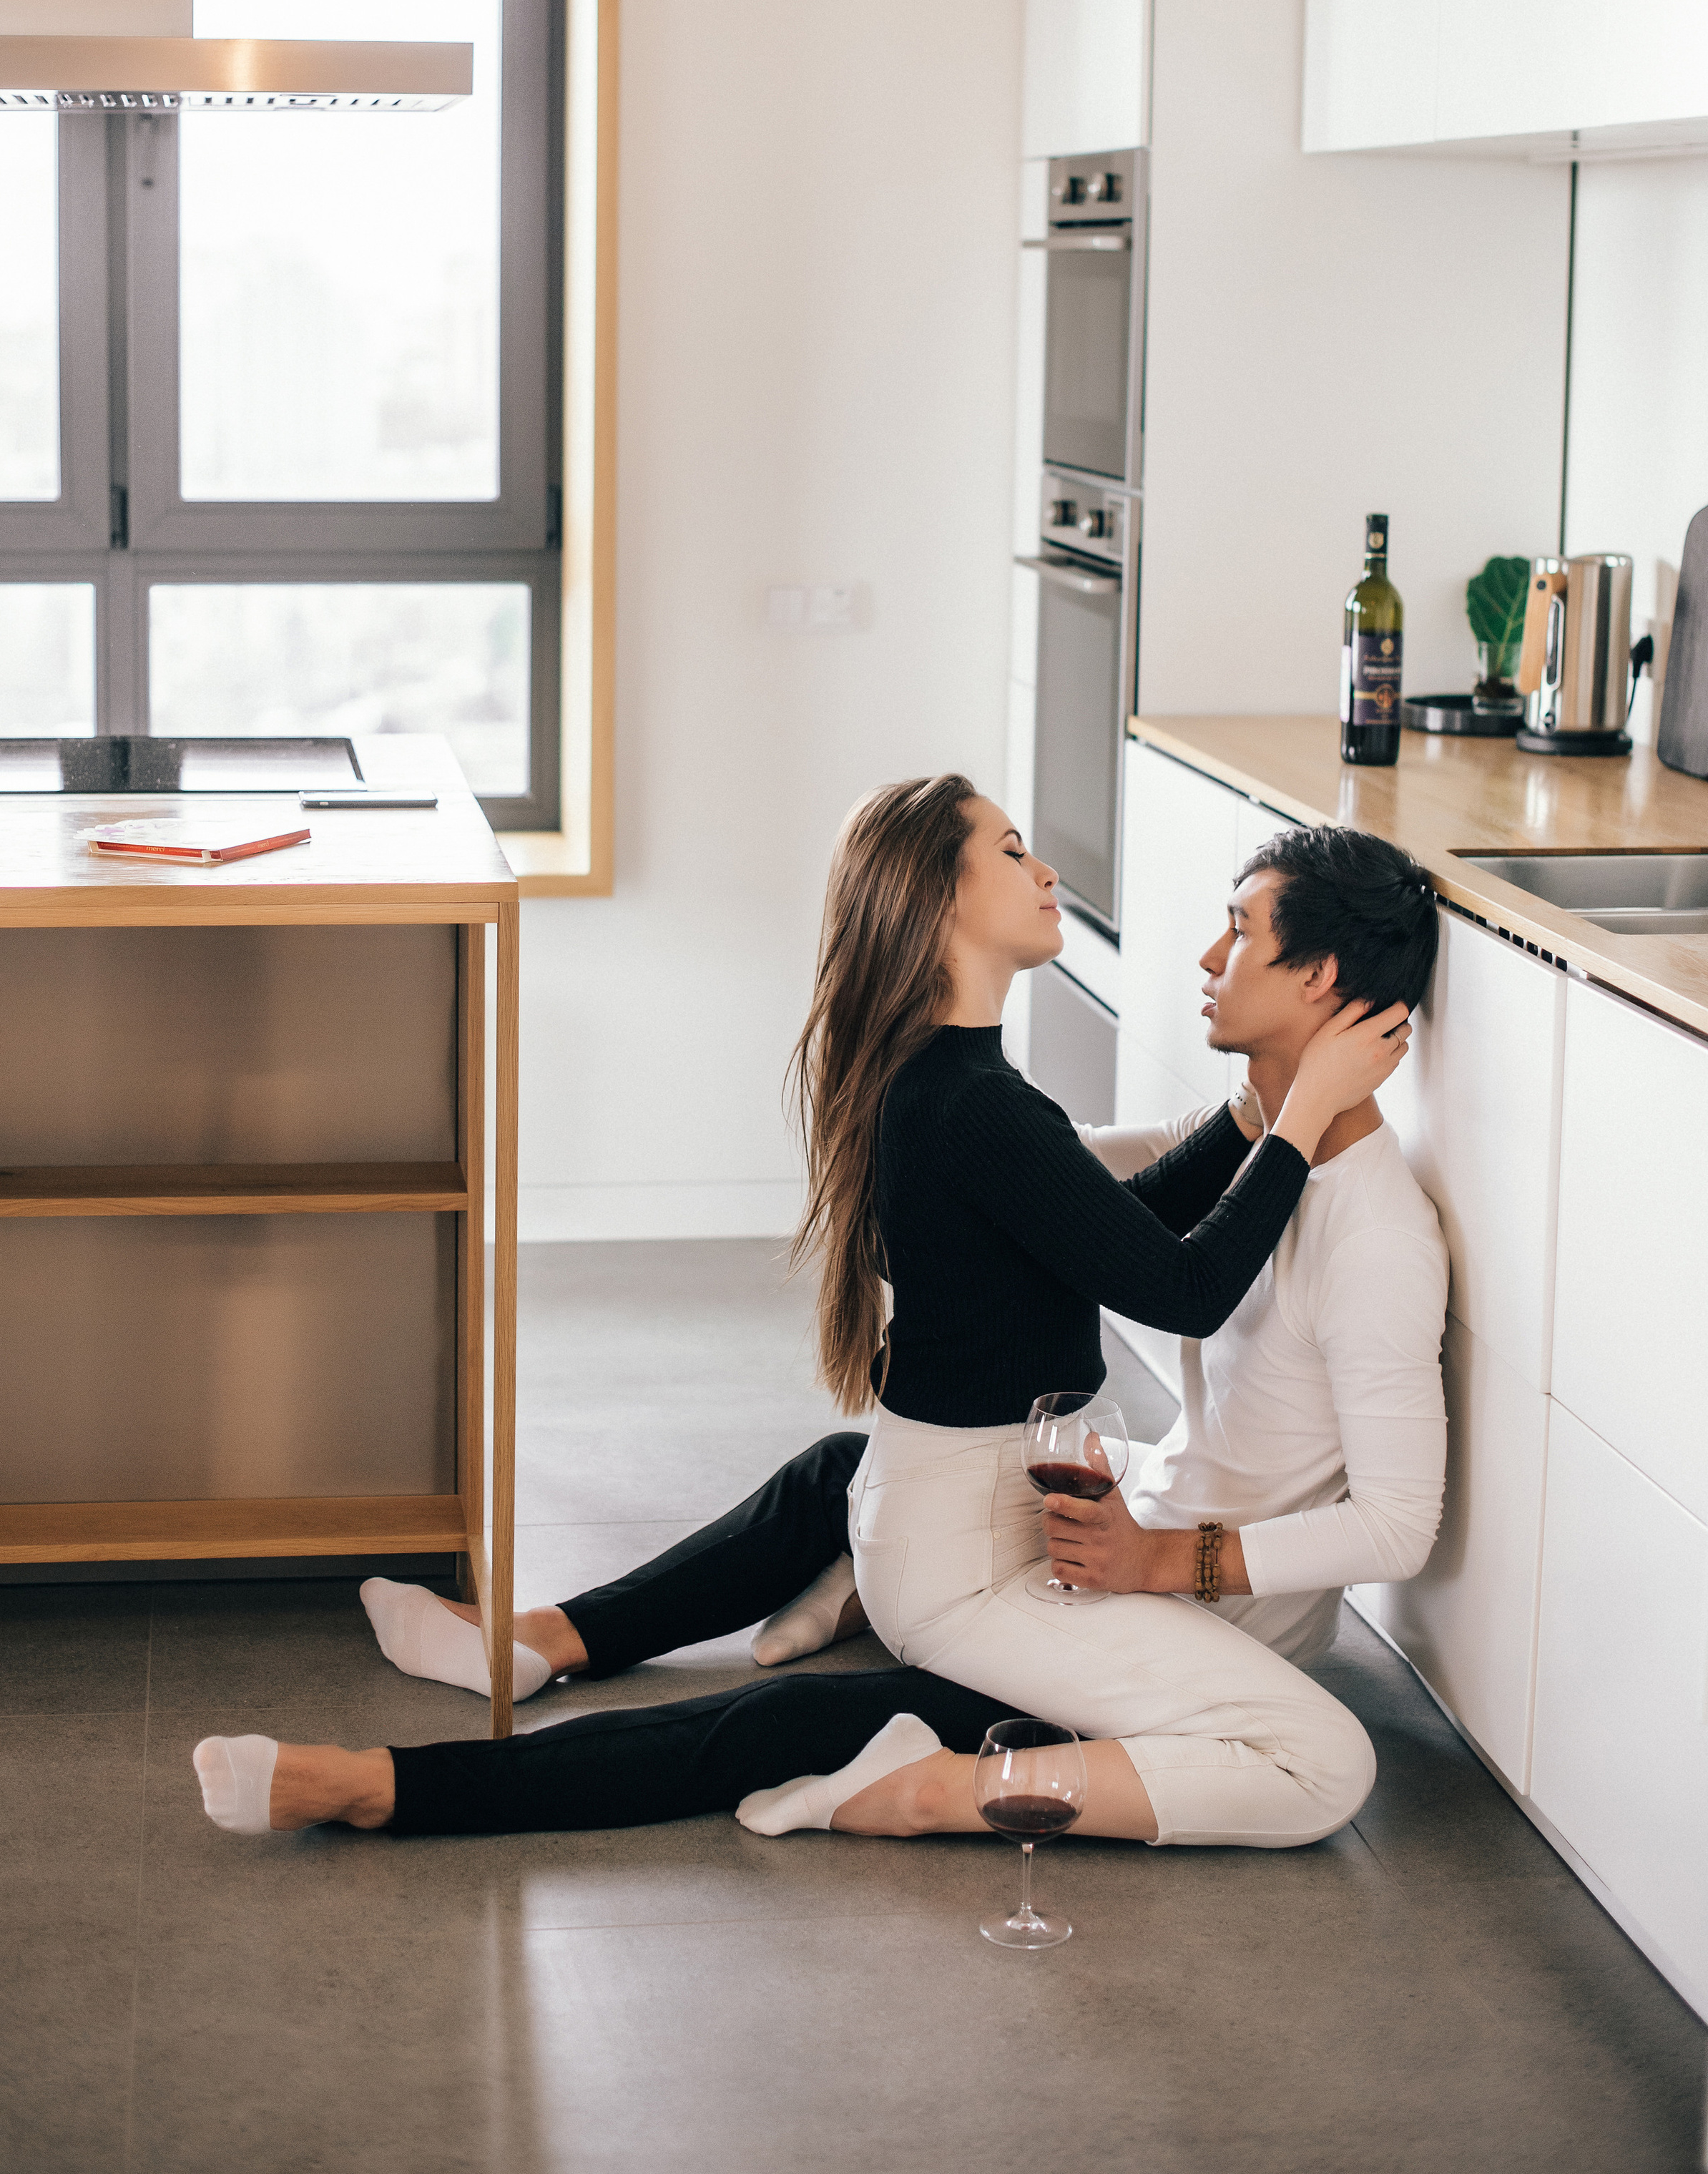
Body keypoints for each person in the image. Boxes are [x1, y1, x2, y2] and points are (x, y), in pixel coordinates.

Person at [194, 784, 1432, 1848]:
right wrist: (1302, 1099)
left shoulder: (957, 1086)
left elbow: (1123, 1242)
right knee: (1287, 1752)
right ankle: (459, 1745)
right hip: (978, 1548)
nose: (1048, 867)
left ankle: (478, 1705)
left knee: (808, 1689)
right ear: (942, 905)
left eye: (1237, 933)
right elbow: (1173, 1279)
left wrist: (1270, 1111)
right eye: (1009, 852)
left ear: (1317, 976)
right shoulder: (979, 1102)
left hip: (985, 1521)